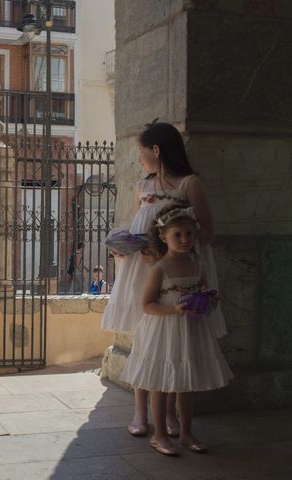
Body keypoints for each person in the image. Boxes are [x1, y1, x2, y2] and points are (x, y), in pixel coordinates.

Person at [100, 121, 225, 438]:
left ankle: (168, 415)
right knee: (145, 341)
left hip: (177, 270)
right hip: (143, 271)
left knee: (170, 344)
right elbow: (136, 224)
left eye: (141, 152)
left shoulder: (189, 184)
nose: (139, 159)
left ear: (156, 150)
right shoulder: (143, 186)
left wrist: (169, 250)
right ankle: (141, 413)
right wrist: (125, 247)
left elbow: (206, 233)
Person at [120, 205, 232, 455]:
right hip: (164, 329)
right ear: (163, 237)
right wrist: (174, 311)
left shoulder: (197, 263)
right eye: (177, 235)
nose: (185, 240)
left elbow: (205, 290)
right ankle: (159, 435)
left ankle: (186, 432)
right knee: (160, 382)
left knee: (186, 383)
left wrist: (206, 301)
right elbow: (147, 305)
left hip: (191, 329)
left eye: (189, 234)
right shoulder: (159, 269)